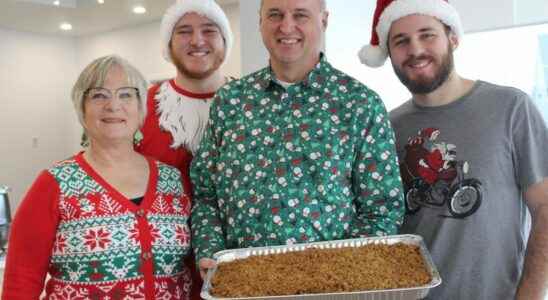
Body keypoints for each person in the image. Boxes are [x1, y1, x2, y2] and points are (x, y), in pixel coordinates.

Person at [191, 0, 405, 278]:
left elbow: (382, 208)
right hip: (242, 284)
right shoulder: (230, 102)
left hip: (333, 288)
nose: (286, 26)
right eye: (275, 15)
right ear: (260, 21)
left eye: (300, 15)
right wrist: (209, 252)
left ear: (324, 21)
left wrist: (343, 275)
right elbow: (205, 195)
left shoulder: (360, 104)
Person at [359, 0, 548, 299]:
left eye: (427, 34)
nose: (415, 49)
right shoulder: (384, 128)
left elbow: (545, 208)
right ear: (389, 53)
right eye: (401, 41)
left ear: (453, 38)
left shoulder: (511, 109)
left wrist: (531, 295)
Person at [2, 55, 193, 299]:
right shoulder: (54, 183)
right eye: (99, 95)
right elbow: (21, 279)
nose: (113, 105)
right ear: (81, 108)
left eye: (126, 94)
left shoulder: (172, 180)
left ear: (140, 107)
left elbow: (191, 266)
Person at [133, 1, 234, 297]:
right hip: (161, 275)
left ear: (224, 41)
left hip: (238, 264)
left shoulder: (251, 105)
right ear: (169, 42)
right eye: (184, 31)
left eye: (209, 30)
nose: (197, 40)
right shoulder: (139, 108)